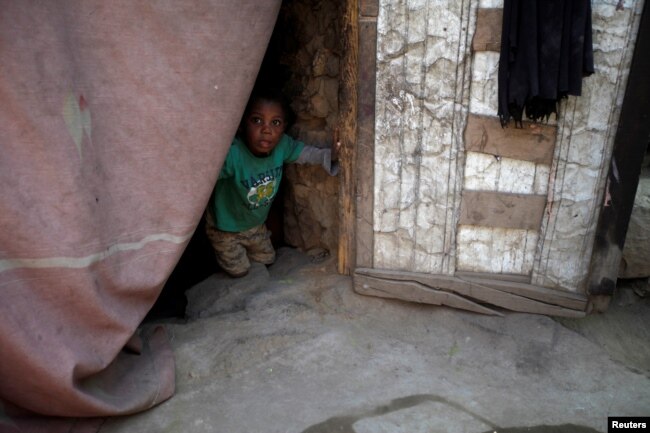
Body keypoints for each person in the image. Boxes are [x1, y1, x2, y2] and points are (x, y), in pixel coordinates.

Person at [205, 87, 340, 277]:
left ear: (284, 127)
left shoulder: (282, 145)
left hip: (255, 224)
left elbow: (305, 153)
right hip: (225, 228)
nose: (266, 129)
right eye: (257, 120)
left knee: (267, 260)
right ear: (242, 124)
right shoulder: (232, 155)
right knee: (239, 271)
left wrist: (330, 155)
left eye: (275, 122)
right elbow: (201, 180)